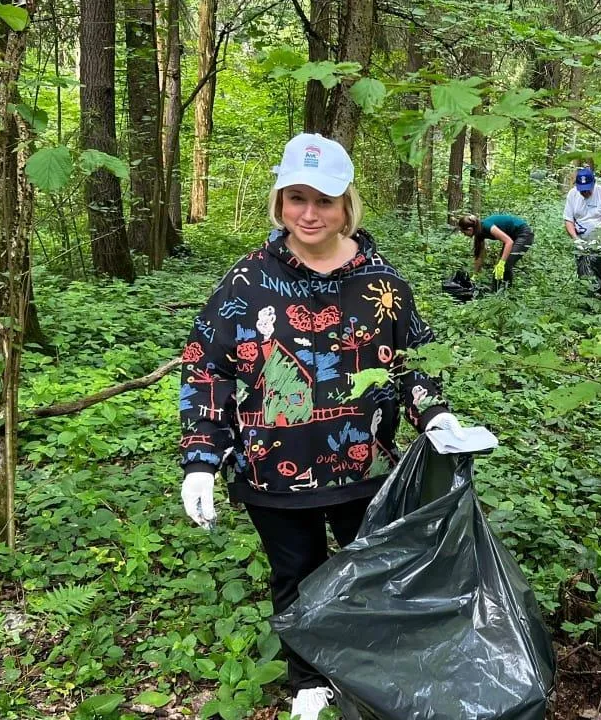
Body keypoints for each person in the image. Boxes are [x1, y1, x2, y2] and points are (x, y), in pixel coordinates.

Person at [178, 132, 468, 720]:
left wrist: (434, 415)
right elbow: (207, 369)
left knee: (373, 571)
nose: (309, 214)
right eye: (296, 198)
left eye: (324, 200)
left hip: (362, 465)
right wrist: (201, 458)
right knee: (296, 575)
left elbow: (414, 362)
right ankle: (307, 677)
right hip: (271, 470)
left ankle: (373, 667)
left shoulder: (382, 284)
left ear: (347, 206)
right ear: (280, 201)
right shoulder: (245, 282)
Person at [563, 167, 601, 291]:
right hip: (581, 242)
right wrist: (575, 239)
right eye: (582, 190)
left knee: (598, 273)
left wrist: (598, 236)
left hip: (599, 243)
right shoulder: (573, 194)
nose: (584, 192)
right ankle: (585, 302)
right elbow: (568, 220)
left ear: (594, 183)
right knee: (583, 273)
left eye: (587, 190)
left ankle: (599, 299)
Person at [457, 213, 534, 288]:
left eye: (464, 232)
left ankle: (506, 292)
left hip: (524, 234)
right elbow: (479, 256)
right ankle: (496, 292)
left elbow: (509, 242)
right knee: (499, 268)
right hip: (512, 237)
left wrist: (502, 263)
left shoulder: (487, 226)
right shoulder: (478, 232)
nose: (464, 234)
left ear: (470, 229)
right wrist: (475, 275)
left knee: (505, 265)